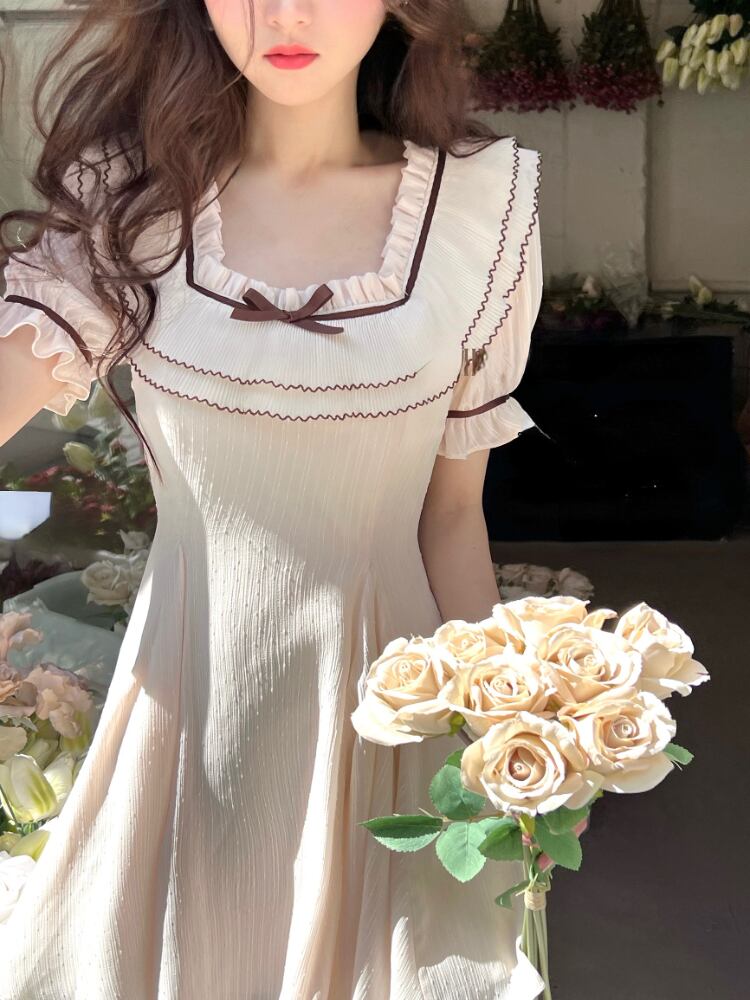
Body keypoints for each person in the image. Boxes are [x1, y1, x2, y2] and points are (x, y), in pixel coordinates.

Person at [0, 1, 544, 996]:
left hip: (395, 734)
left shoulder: (480, 209)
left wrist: (502, 740)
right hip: (188, 731)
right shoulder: (133, 205)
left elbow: (451, 517)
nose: (285, 13)